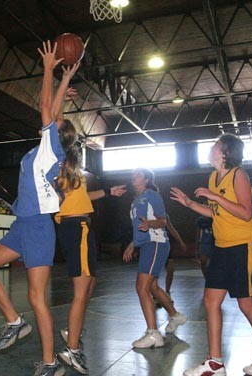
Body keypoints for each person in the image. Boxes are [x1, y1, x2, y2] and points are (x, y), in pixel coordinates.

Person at [0, 40, 79, 376]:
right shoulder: (44, 149)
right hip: (23, 225)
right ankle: (15, 322)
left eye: (56, 122)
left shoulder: (51, 151)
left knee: (36, 298)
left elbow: (47, 106)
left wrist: (48, 70)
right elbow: (55, 111)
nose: (52, 118)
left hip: (38, 228)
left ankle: (49, 364)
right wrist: (65, 79)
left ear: (57, 134)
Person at [171, 134, 252, 376]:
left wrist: (215, 197)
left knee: (246, 304)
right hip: (222, 247)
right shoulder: (213, 177)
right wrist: (189, 204)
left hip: (243, 246)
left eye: (214, 145)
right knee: (211, 301)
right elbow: (216, 213)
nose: (210, 148)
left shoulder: (238, 175)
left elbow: (246, 213)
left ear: (225, 153)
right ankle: (215, 362)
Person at [54, 151, 127, 374]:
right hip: (76, 228)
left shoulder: (75, 175)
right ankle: (72, 349)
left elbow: (83, 196)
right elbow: (56, 195)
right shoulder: (59, 173)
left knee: (90, 283)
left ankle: (72, 330)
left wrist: (108, 192)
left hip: (82, 228)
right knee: (81, 289)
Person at [122, 168, 187, 350]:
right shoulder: (135, 201)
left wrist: (150, 224)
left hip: (156, 242)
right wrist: (133, 244)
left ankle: (153, 334)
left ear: (147, 179)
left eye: (138, 174)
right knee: (152, 287)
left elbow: (162, 221)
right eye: (133, 173)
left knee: (141, 287)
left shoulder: (152, 195)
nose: (133, 176)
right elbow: (140, 228)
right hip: (146, 244)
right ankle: (175, 316)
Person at [163, 215, 187, 298]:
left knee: (170, 269)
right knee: (154, 272)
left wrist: (180, 242)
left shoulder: (164, 214)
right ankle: (155, 293)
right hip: (153, 244)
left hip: (165, 244)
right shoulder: (147, 212)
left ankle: (167, 291)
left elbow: (171, 228)